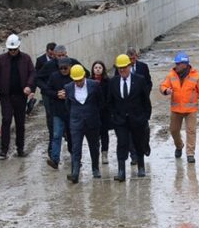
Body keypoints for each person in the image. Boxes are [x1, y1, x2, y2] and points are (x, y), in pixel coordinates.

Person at [0, 33, 35, 159]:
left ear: (19, 48)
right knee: (6, 121)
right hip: (6, 96)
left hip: (20, 96)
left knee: (20, 123)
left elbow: (32, 73)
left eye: (15, 49)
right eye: (10, 50)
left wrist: (29, 86)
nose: (12, 52)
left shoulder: (26, 59)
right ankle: (4, 150)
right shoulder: (1, 60)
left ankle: (20, 148)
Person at [159, 51, 199, 164]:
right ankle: (179, 145)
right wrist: (166, 90)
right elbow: (163, 86)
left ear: (185, 64)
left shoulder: (196, 76)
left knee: (191, 131)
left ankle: (190, 153)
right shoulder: (171, 75)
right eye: (176, 64)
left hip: (191, 110)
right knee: (173, 130)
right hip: (176, 110)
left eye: (178, 64)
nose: (176, 66)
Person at [108, 53, 151, 181]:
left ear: (129, 66)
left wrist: (145, 117)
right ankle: (121, 171)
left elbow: (145, 101)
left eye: (124, 67)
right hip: (120, 121)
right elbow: (110, 102)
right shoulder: (113, 82)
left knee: (138, 142)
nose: (122, 70)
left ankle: (141, 166)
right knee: (122, 143)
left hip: (137, 119)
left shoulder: (139, 80)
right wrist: (114, 117)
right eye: (119, 68)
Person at [65, 65, 105, 183]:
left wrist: (93, 113)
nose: (78, 83)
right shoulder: (68, 87)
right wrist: (75, 116)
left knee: (94, 146)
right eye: (76, 81)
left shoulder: (94, 85)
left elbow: (100, 102)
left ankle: (95, 169)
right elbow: (67, 105)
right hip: (76, 122)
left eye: (80, 80)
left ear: (84, 76)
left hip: (92, 121)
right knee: (76, 147)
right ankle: (75, 172)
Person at [45, 58, 74, 170]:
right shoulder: (54, 76)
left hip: (71, 111)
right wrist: (57, 94)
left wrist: (68, 95)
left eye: (65, 68)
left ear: (70, 66)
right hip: (58, 111)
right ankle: (55, 159)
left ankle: (75, 159)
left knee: (72, 136)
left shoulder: (74, 75)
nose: (63, 70)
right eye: (61, 68)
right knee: (56, 135)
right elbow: (47, 90)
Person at [91, 60, 113, 164]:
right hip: (93, 112)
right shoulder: (89, 81)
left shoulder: (107, 81)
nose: (98, 69)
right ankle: (95, 154)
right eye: (96, 68)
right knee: (94, 134)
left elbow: (109, 96)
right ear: (93, 69)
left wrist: (105, 106)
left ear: (103, 69)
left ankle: (104, 154)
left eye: (100, 67)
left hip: (104, 112)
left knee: (104, 133)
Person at [27, 42, 55, 115]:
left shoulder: (58, 59)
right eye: (50, 54)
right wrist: (33, 90)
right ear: (47, 51)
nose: (52, 56)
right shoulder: (40, 60)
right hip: (45, 89)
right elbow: (36, 76)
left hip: (56, 89)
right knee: (49, 112)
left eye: (53, 54)